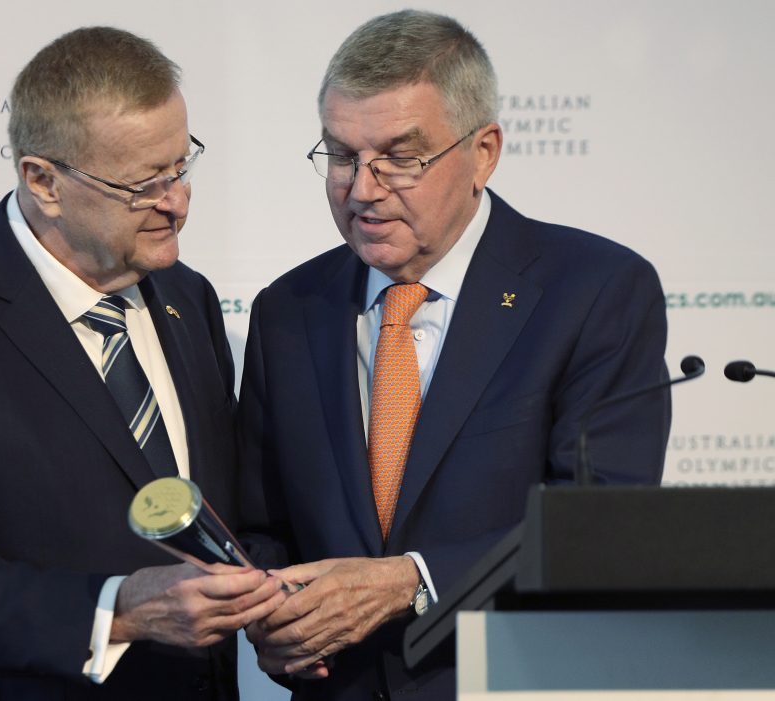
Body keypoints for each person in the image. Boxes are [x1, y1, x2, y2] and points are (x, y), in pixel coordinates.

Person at [0, 27, 283, 701]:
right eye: (142, 183)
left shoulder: (187, 297)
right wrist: (120, 608)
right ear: (43, 181)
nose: (177, 200)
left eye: (180, 165)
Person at [238, 10, 670, 700]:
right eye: (342, 155)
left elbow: (599, 522)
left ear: (484, 151)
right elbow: (263, 522)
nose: (363, 188)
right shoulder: (288, 309)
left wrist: (413, 579)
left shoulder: (593, 291)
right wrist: (272, 613)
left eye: (400, 158)